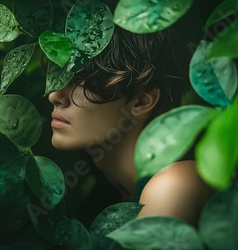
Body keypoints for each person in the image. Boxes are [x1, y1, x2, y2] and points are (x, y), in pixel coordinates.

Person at [48, 27, 213, 226]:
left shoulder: (170, 186)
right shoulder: (108, 194)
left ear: (141, 102)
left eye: (82, 82)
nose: (55, 96)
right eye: (61, 78)